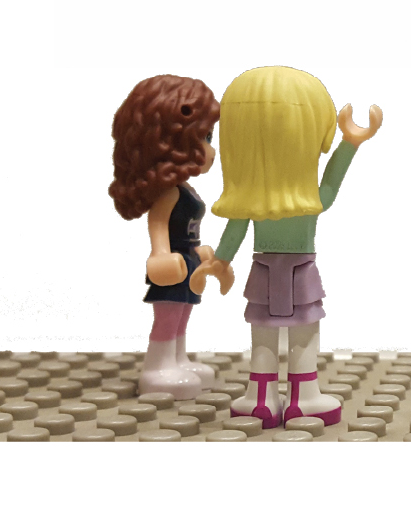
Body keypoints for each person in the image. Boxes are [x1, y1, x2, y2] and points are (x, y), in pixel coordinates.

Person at [210, 65, 382, 428]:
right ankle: (303, 398)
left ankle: (261, 399)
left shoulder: (251, 201)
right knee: (304, 331)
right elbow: (329, 188)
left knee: (263, 332)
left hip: (261, 272)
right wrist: (350, 143)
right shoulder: (308, 202)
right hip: (302, 272)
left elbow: (235, 230)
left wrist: (221, 262)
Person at [109, 74, 234, 398]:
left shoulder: (184, 189)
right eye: (204, 138)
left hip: (187, 260)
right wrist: (160, 254)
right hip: (173, 263)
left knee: (182, 314)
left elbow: (187, 228)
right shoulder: (169, 194)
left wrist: (202, 253)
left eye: (209, 137)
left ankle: (177, 359)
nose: (212, 150)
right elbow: (158, 225)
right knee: (168, 316)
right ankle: (157, 367)